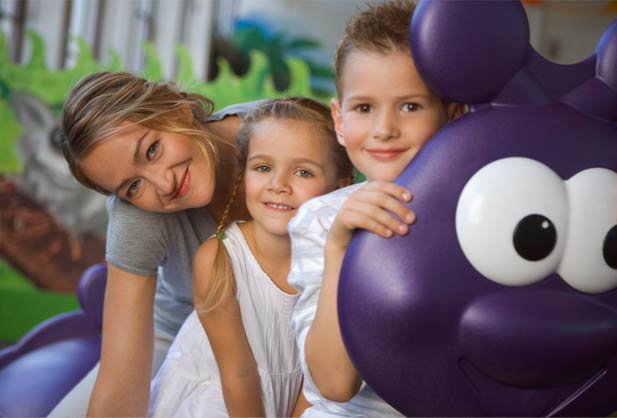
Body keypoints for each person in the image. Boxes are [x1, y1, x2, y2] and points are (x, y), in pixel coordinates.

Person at [287, 1, 465, 416]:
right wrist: (339, 248)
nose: (385, 129)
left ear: (453, 114)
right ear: (339, 119)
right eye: (364, 108)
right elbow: (335, 384)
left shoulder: (476, 215)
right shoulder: (321, 222)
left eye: (410, 106)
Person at [51, 71, 263, 417]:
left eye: (152, 149)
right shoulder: (137, 214)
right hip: (176, 333)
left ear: (179, 110)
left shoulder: (286, 134)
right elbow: (121, 383)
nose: (164, 184)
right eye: (133, 186)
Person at [148, 97, 354, 418]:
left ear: (339, 187)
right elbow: (238, 375)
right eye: (263, 168)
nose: (278, 185)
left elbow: (315, 377)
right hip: (223, 397)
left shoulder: (340, 260)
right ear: (242, 173)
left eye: (303, 172)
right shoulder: (219, 258)